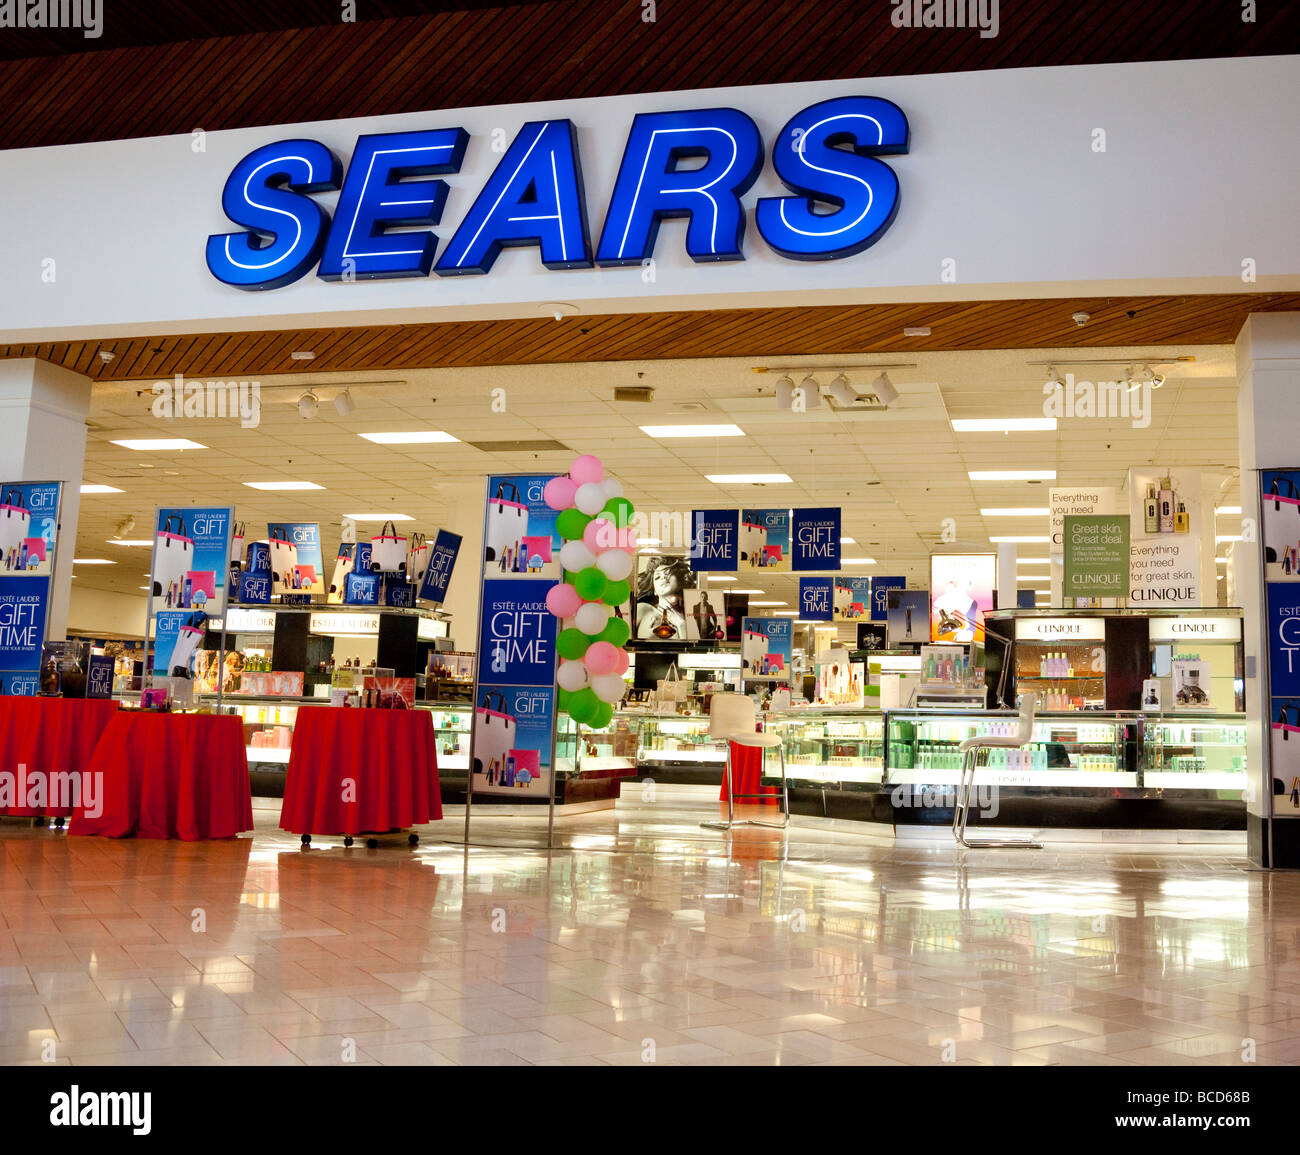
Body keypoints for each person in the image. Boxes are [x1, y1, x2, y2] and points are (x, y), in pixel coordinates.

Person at [635, 555, 694, 640]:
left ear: (680, 580)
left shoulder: (690, 617)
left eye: (667, 573)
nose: (663, 577)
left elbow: (691, 651)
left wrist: (681, 625)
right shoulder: (643, 609)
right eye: (657, 577)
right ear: (655, 590)